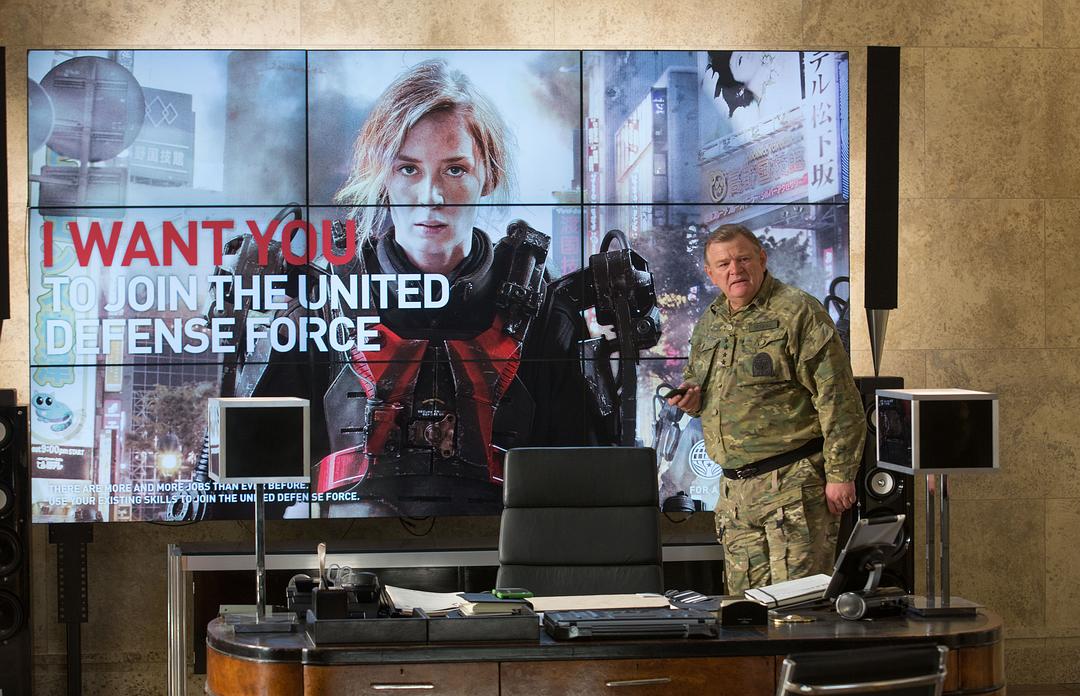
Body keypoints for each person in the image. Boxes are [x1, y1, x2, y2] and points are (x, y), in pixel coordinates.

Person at [289, 60, 599, 517]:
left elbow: (585, 484)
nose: (431, 196)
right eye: (408, 169)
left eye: (454, 170)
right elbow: (256, 486)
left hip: (500, 555)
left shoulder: (543, 310)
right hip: (352, 553)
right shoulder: (323, 301)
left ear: (487, 175)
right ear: (382, 175)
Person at [667, 224, 864, 593]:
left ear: (761, 258)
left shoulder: (797, 312)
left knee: (797, 608)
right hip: (735, 495)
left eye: (743, 259)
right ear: (710, 273)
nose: (735, 270)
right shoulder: (711, 321)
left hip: (792, 486)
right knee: (745, 611)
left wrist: (841, 474)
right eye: (723, 264)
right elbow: (701, 386)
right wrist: (692, 400)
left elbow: (838, 397)